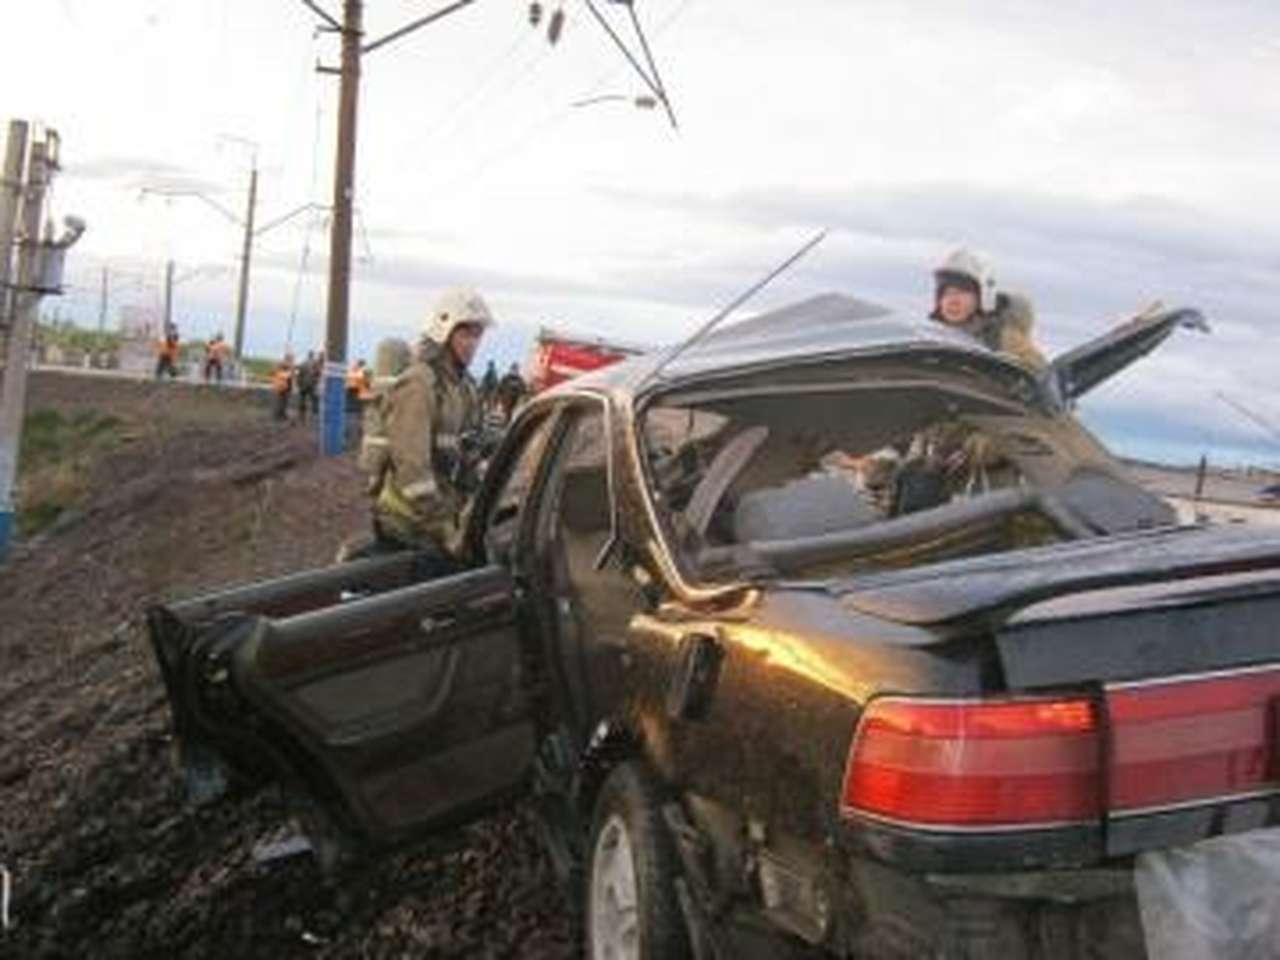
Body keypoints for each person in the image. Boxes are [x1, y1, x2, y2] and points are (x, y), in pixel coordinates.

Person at [372, 287, 493, 562]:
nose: (472, 343)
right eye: (465, 334)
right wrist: (445, 527)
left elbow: (467, 451)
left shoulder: (465, 388)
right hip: (407, 523)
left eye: (477, 335)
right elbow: (413, 469)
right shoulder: (420, 383)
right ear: (444, 332)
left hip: (442, 517)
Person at [929, 248, 1047, 370]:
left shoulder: (1004, 340)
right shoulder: (928, 337)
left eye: (962, 292)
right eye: (946, 294)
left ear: (983, 297)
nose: (952, 301)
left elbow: (1039, 376)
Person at [295, 351, 321, 423]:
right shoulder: (316, 364)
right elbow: (318, 374)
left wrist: (298, 384)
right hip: (312, 386)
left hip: (303, 385)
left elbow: (299, 375)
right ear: (313, 356)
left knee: (302, 401)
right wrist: (316, 382)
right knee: (314, 402)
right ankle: (313, 418)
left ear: (308, 355)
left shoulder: (303, 363)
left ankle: (301, 417)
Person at [271, 354, 294, 422]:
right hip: (283, 387)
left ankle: (281, 414)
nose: (292, 360)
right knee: (282, 401)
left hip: (284, 387)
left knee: (282, 401)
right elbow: (288, 376)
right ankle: (279, 415)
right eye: (291, 359)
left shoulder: (282, 365)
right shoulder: (284, 366)